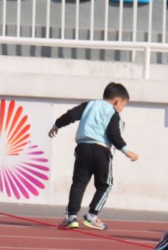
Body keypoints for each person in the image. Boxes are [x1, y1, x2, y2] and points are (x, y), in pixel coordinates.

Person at [50, 82, 139, 230]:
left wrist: (57, 125)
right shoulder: (113, 113)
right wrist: (126, 150)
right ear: (117, 101)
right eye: (123, 105)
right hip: (101, 151)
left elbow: (71, 115)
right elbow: (113, 134)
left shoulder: (89, 105)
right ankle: (92, 216)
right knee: (105, 184)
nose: (122, 109)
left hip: (83, 148)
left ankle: (71, 217)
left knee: (78, 183)